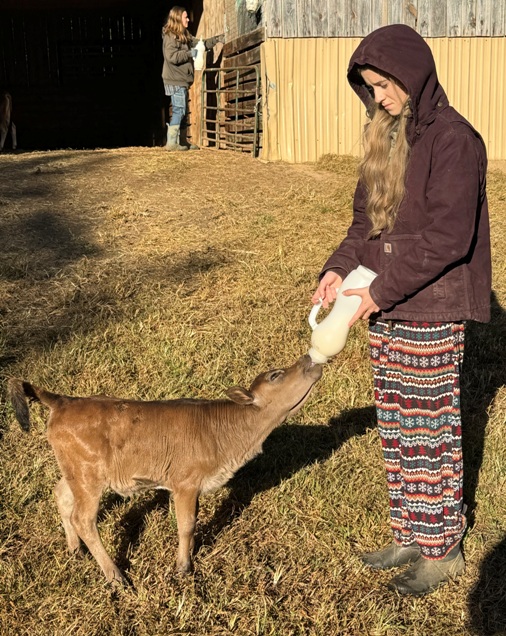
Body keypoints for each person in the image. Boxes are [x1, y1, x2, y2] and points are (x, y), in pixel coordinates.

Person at [312, 24, 491, 596]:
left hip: (429, 304)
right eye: (370, 87)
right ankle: (411, 532)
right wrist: (337, 270)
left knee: (432, 425)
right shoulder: (385, 136)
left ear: (413, 73)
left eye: (386, 84)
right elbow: (363, 225)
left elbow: (448, 238)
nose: (380, 97)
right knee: (398, 423)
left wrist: (381, 292)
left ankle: (443, 549)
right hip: (383, 298)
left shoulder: (453, 140)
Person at [161, 6, 223, 151]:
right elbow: (171, 57)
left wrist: (216, 40)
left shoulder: (185, 35)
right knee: (179, 110)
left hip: (182, 80)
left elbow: (200, 44)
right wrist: (190, 53)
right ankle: (171, 143)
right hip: (174, 79)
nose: (188, 19)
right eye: (185, 17)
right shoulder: (170, 36)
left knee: (183, 110)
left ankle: (182, 141)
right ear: (177, 19)